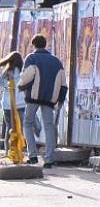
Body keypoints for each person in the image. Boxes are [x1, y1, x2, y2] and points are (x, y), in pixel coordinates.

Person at [18, 35, 67, 168]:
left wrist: (20, 86)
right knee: (49, 126)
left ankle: (33, 155)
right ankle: (49, 159)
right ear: (45, 45)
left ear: (33, 44)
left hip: (33, 97)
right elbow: (63, 83)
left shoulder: (32, 58)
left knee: (28, 123)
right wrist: (60, 99)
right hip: (49, 99)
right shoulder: (56, 61)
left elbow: (26, 77)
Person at [1, 52, 26, 153]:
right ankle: (18, 151)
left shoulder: (5, 73)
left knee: (9, 128)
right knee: (19, 129)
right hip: (20, 105)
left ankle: (8, 150)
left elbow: (2, 86)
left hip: (7, 105)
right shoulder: (23, 73)